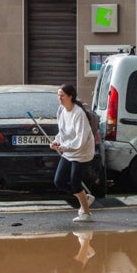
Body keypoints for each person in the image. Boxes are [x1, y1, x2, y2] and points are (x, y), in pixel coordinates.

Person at [50, 83, 95, 222]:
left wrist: (63, 147)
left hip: (82, 152)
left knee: (75, 183)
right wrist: (56, 141)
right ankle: (85, 197)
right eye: (58, 95)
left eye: (62, 95)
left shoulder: (79, 114)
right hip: (69, 151)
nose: (59, 98)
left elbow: (80, 141)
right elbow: (62, 132)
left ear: (70, 96)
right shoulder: (61, 110)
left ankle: (86, 214)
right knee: (59, 181)